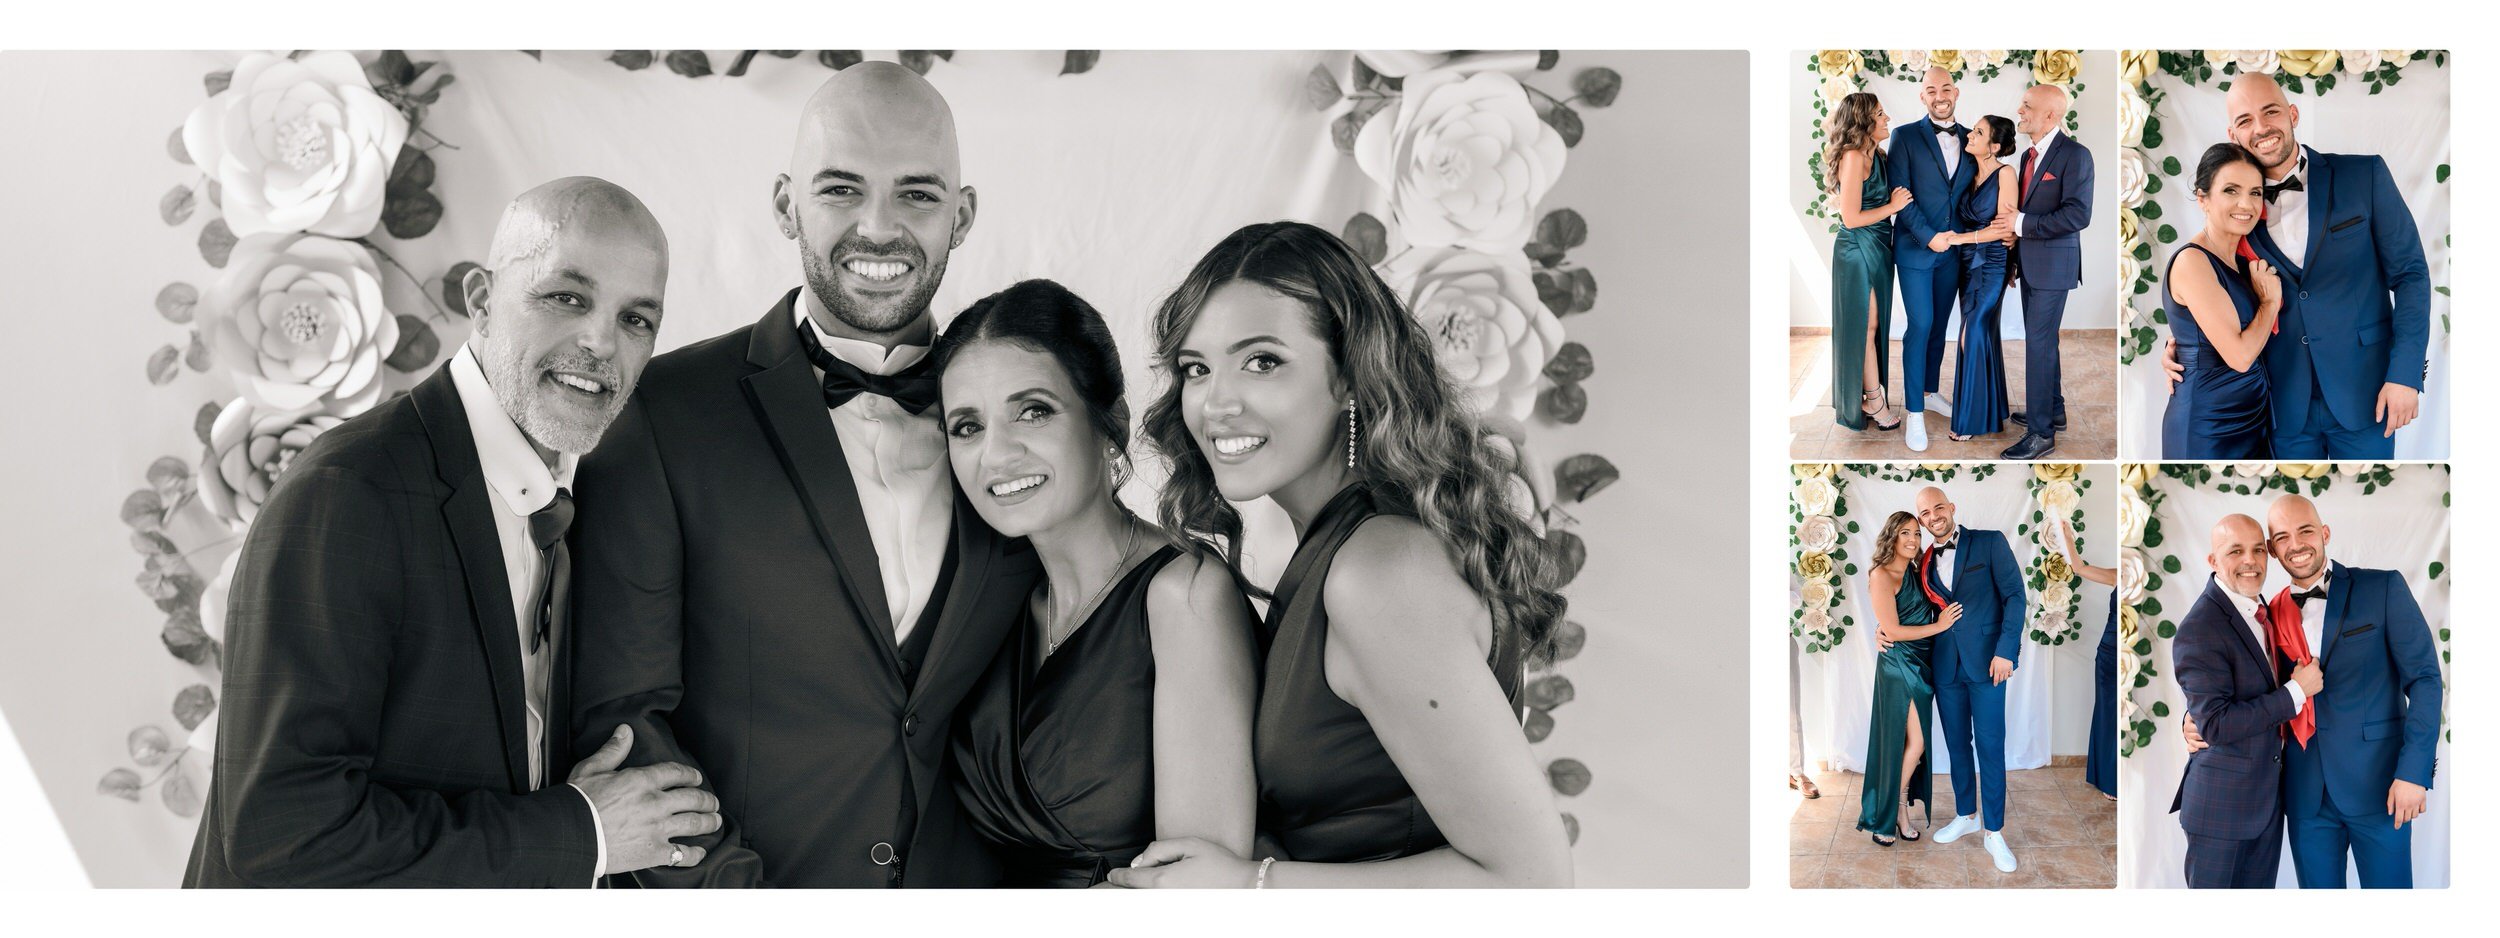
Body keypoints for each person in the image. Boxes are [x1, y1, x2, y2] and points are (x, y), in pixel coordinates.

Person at [570, 64, 1040, 887]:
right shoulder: (662, 415)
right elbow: (624, 719)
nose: (879, 227)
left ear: (962, 216)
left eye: (917, 194)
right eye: (841, 189)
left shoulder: (1027, 420)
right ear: (786, 204)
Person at [187, 178, 719, 886]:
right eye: (567, 297)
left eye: (637, 319)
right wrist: (581, 833)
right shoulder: (349, 493)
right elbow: (284, 840)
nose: (601, 342)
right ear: (481, 301)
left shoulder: (577, 496)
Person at [1110, 221, 1572, 887]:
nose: (1217, 402)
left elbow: (1533, 884)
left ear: (1351, 376)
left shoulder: (1379, 572)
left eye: (1262, 361)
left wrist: (1247, 886)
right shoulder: (1341, 549)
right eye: (1196, 369)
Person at [932, 279, 1260, 886]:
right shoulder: (1000, 601)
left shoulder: (1185, 595)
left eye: (1033, 411)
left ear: (1110, 423)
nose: (996, 455)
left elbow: (1193, 895)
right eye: (967, 427)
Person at [2164, 77, 2431, 458]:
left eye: (2270, 112)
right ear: (2233, 135)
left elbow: (2410, 276)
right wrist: (2184, 347)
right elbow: (2209, 285)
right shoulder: (2237, 214)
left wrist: (2405, 375)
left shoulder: (2363, 175)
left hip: (2367, 395)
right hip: (2278, 407)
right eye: (2245, 120)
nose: (2261, 128)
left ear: (2292, 114)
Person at [2187, 495, 2443, 887]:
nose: (2296, 545)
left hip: (2380, 788)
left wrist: (2414, 772)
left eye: (2305, 531)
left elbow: (2424, 679)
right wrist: (2193, 716)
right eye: (2282, 538)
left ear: (2324, 533)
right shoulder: (2266, 612)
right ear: (2274, 550)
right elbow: (2242, 681)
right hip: (2304, 796)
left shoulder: (2382, 588)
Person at [2168, 514, 2313, 888]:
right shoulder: (2200, 627)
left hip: (2265, 804)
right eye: (2235, 551)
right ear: (2213, 561)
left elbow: (2218, 698)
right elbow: (2216, 724)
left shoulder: (2260, 609)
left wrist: (2194, 714)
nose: (2250, 561)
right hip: (2221, 810)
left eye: (2258, 550)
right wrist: (2296, 692)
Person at [1910, 486, 2024, 873]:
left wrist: (2007, 651)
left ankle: (1994, 831)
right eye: (1925, 513)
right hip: (1945, 667)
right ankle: (1966, 815)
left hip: (1989, 664)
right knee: (1957, 745)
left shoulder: (1989, 542)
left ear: (1952, 507)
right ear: (1921, 520)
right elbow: (1912, 609)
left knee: (1990, 747)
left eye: (1938, 507)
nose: (1933, 517)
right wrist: (1883, 630)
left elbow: (2015, 596)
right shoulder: (1923, 561)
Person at [2161, 144, 2282, 458]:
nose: (2246, 204)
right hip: (2208, 422)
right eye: (2231, 190)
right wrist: (2269, 304)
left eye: (2255, 192)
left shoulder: (2243, 260)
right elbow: (2240, 357)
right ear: (2203, 198)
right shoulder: (2192, 261)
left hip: (2251, 416)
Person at [2001, 83, 2095, 460]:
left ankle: (2041, 434)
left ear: (2050, 115)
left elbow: (2078, 214)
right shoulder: (2028, 155)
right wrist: (2014, 259)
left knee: (2038, 346)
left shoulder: (2076, 155)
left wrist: (2021, 223)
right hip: (2030, 265)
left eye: (2027, 106)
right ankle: (2053, 411)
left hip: (2054, 267)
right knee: (2043, 341)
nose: (2019, 111)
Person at [1857, 511, 1960, 845]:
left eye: (1917, 533)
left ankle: (1899, 812)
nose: (1913, 539)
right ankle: (1891, 811)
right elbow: (1894, 630)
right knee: (1915, 743)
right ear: (1892, 536)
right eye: (1905, 533)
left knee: (1909, 744)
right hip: (1899, 665)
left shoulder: (1918, 570)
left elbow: (1897, 620)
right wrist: (1939, 626)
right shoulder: (1881, 574)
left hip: (1923, 663)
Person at [1887, 67, 1973, 451]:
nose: (1940, 96)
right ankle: (1915, 414)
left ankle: (1930, 391)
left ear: (1956, 92)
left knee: (1939, 326)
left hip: (1954, 252)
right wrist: (1929, 236)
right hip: (1915, 248)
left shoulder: (1973, 138)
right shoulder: (1904, 136)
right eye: (1931, 90)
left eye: (1946, 88)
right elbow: (1900, 195)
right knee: (1920, 325)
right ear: (1922, 96)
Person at [1828, 92, 1915, 433]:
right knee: (1866, 326)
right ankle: (1874, 401)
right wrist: (1893, 207)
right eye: (1879, 114)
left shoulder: (1877, 154)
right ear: (1863, 121)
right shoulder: (1853, 157)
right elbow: (1850, 218)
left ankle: (1870, 396)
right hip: (1857, 249)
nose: (1886, 118)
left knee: (1873, 326)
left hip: (1878, 246)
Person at [1943, 114, 2018, 443]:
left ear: (1995, 146)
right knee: (1979, 331)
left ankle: (1972, 418)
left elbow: (2004, 229)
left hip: (1992, 263)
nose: (1970, 136)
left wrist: (1959, 239)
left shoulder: (2006, 174)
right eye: (1972, 130)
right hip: (1966, 265)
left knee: (1971, 331)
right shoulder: (1968, 173)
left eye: (1978, 132)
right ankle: (1991, 408)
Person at [2049, 518, 2118, 799]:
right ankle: (2108, 780)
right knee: (2107, 713)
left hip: (2132, 654)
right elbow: (2078, 568)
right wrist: (2067, 536)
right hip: (2109, 654)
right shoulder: (2118, 574)